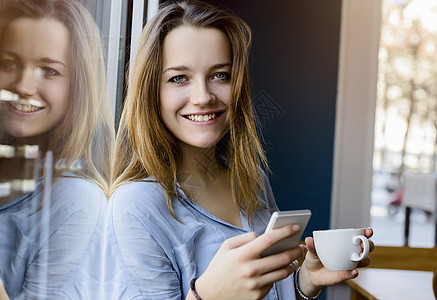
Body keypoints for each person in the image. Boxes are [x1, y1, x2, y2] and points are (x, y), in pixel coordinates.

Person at [107, 1, 374, 299]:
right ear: (151, 92)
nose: (203, 97)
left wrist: (303, 282)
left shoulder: (251, 178)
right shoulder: (136, 205)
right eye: (178, 78)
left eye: (220, 75)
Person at [0, 0, 114, 298]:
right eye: (9, 64)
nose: (24, 86)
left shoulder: (76, 201)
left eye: (48, 71)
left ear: (77, 87)